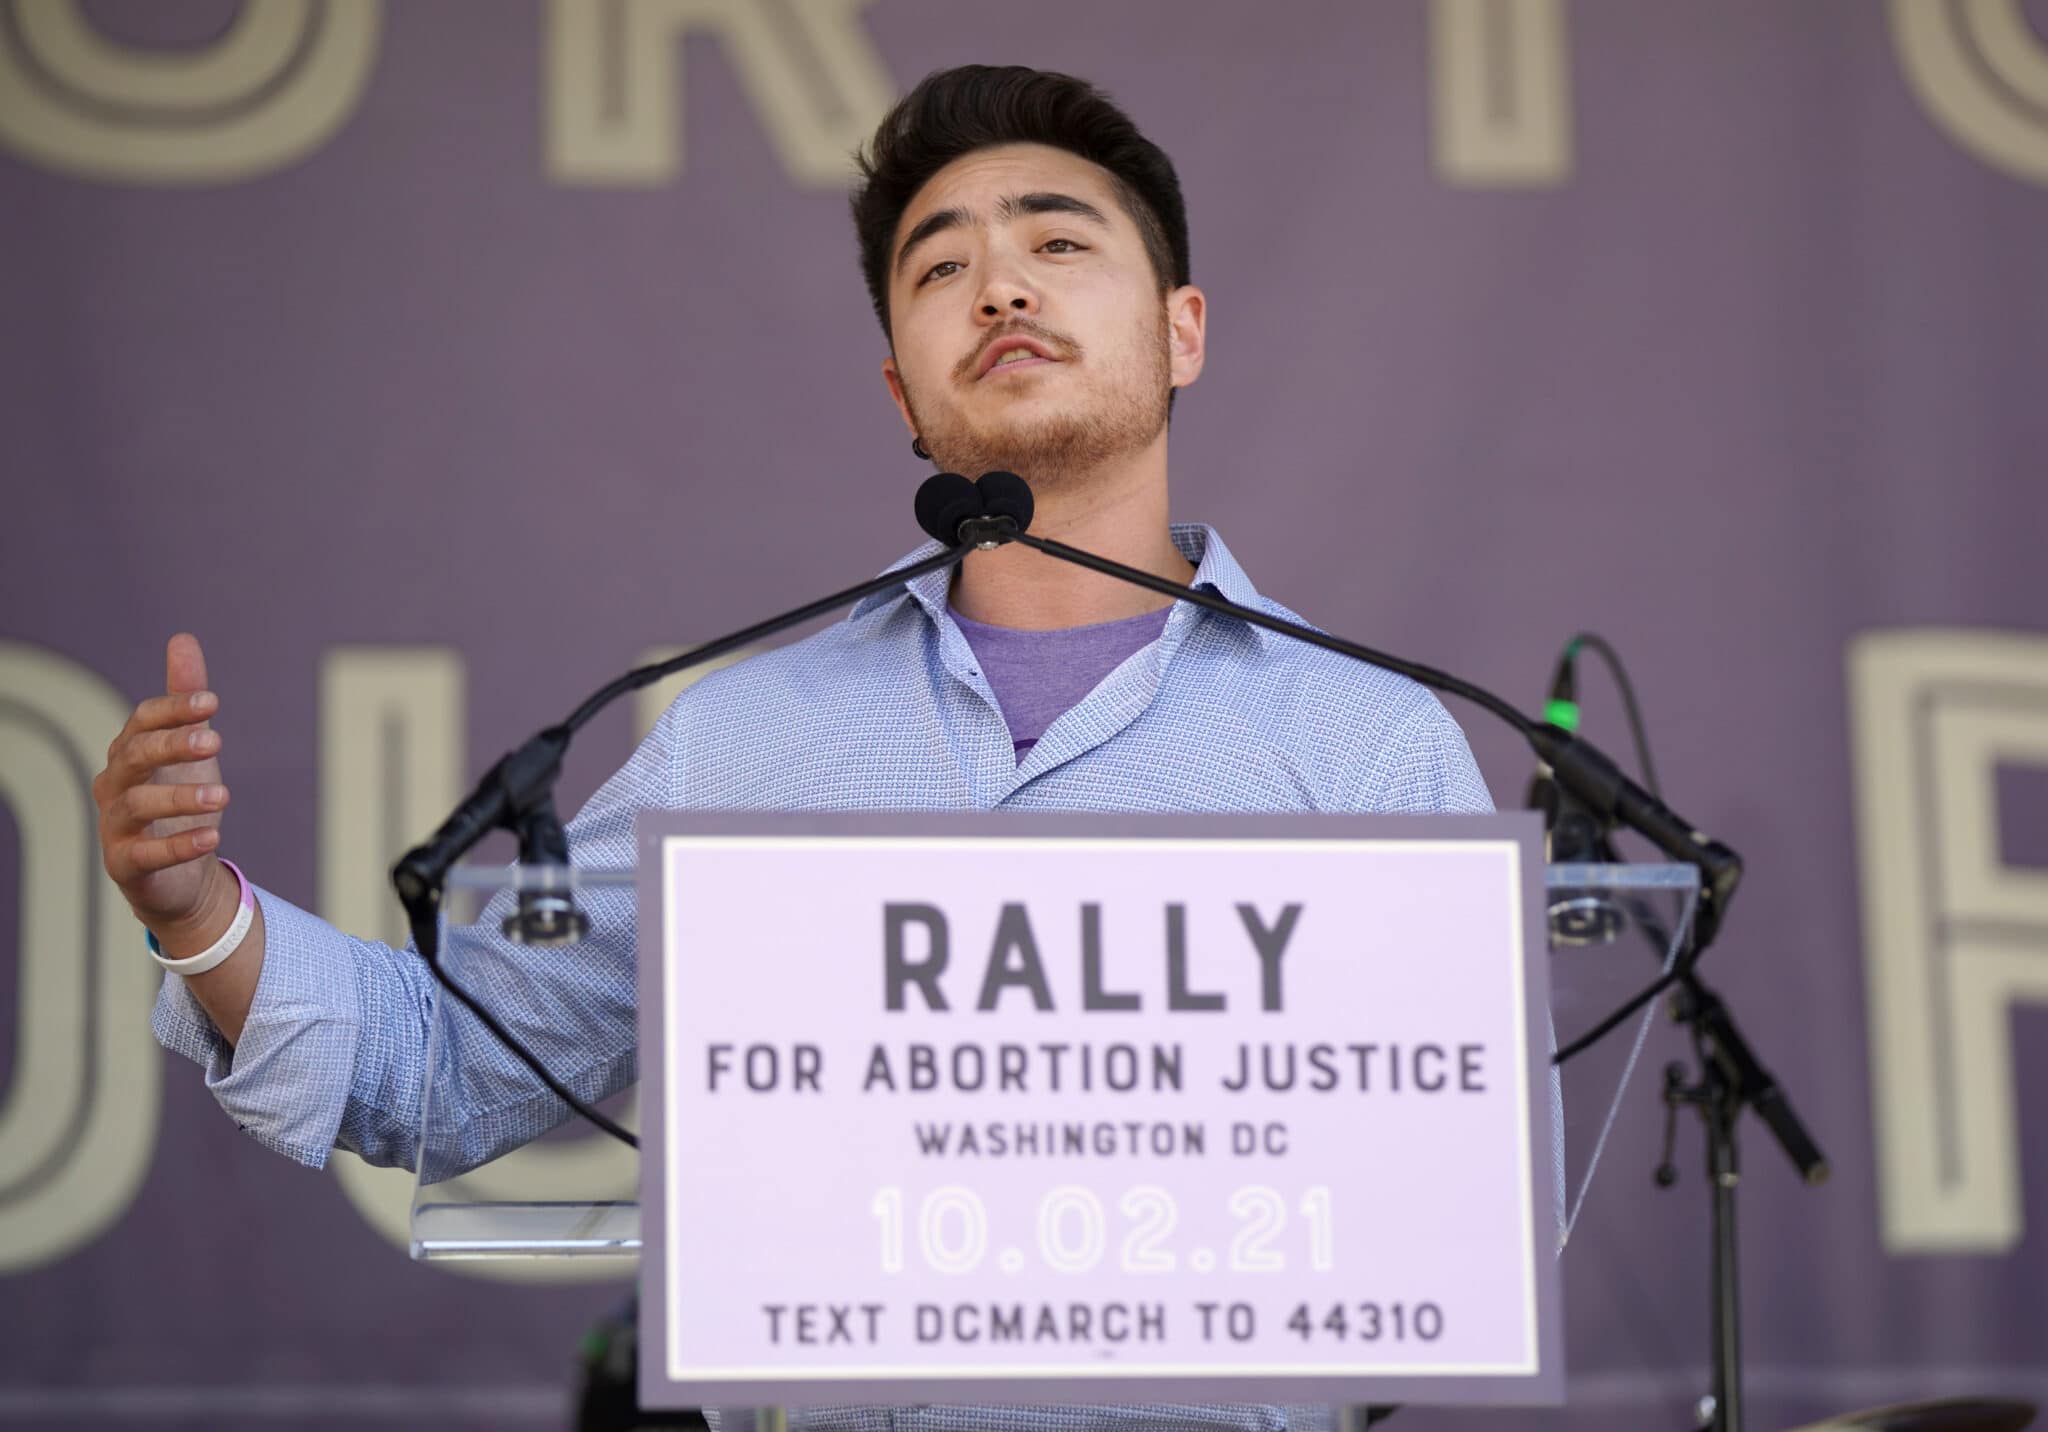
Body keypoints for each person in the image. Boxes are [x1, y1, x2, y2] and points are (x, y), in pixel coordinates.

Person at [95, 66, 1491, 1432]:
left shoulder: (1367, 745)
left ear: (1184, 332)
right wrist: (201, 917)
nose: (1002, 286)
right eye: (943, 270)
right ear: (903, 392)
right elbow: (450, 1066)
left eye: (1058, 243)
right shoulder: (745, 743)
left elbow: (1467, 1220)